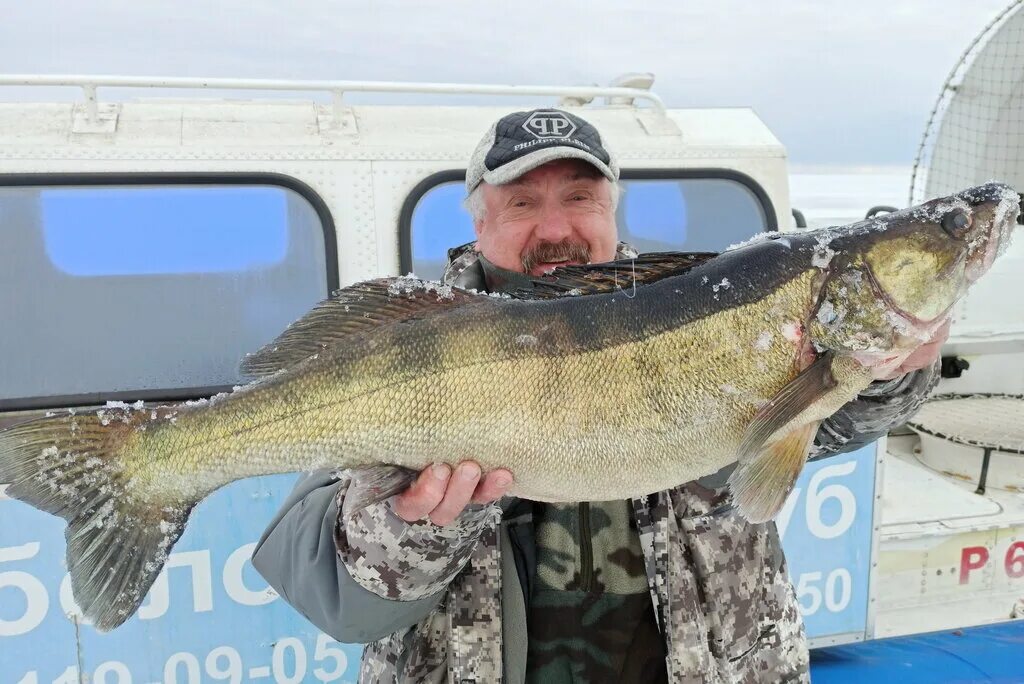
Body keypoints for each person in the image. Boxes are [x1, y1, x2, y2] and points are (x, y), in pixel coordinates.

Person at [252, 109, 945, 683]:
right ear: (479, 224)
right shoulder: (418, 349)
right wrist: (414, 528)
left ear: (611, 209)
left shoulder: (695, 316)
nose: (555, 230)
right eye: (523, 203)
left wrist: (889, 370)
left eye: (578, 198)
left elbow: (830, 421)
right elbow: (337, 596)